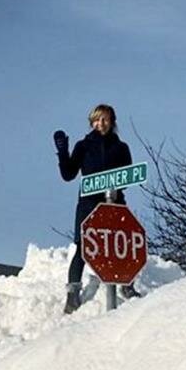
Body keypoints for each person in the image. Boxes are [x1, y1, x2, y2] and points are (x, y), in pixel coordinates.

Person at [53, 103, 140, 313]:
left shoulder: (121, 148)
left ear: (112, 122)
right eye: (97, 120)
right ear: (92, 122)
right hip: (89, 205)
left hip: (115, 205)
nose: (101, 124)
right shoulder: (84, 146)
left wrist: (111, 187)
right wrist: (63, 152)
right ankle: (73, 294)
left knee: (124, 244)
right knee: (84, 248)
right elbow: (68, 175)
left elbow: (127, 177)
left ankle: (127, 286)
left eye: (105, 119)